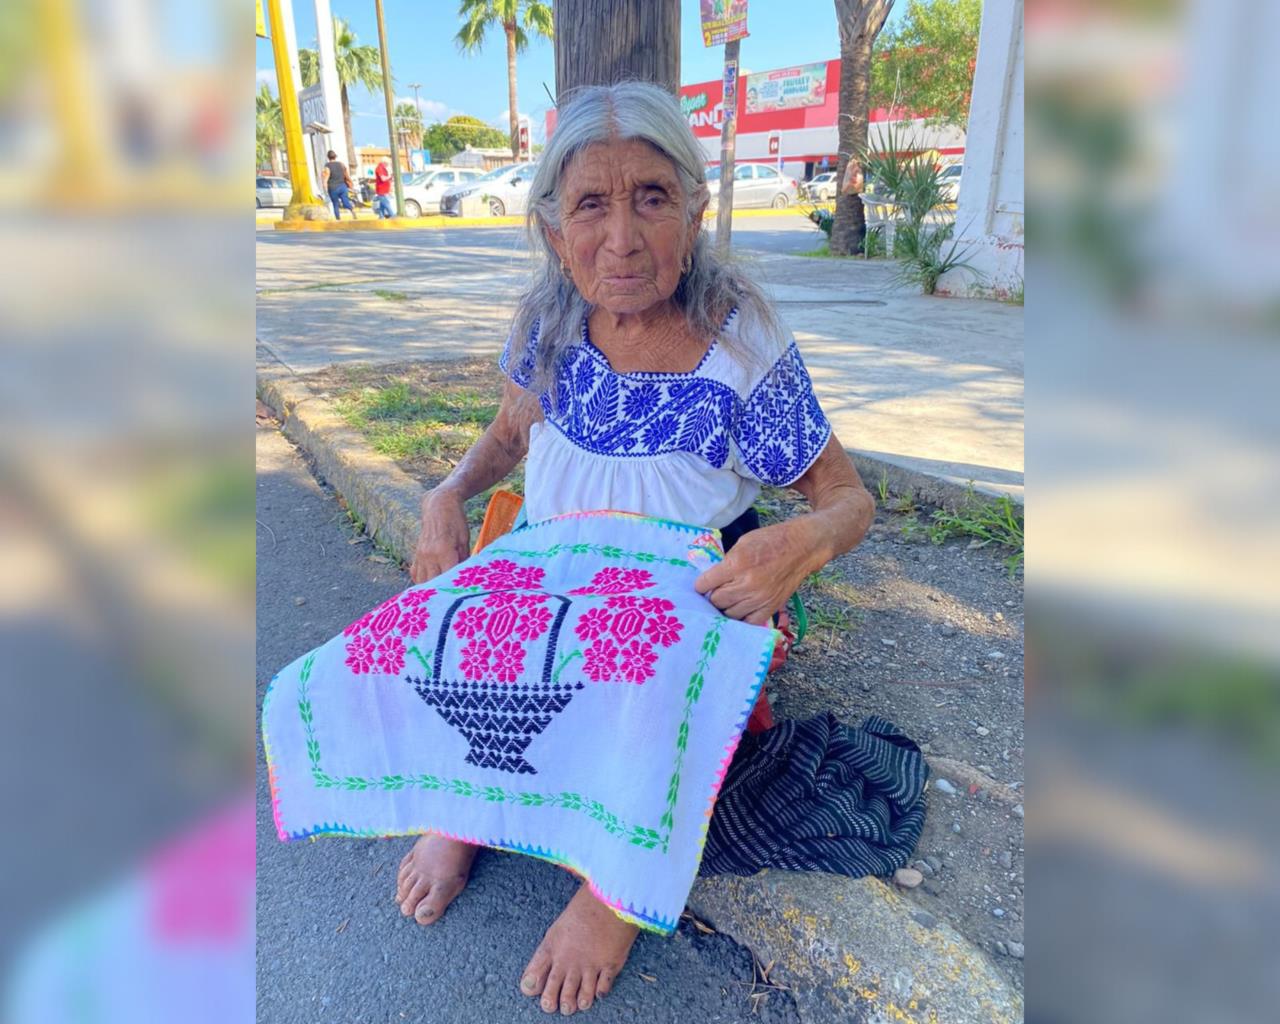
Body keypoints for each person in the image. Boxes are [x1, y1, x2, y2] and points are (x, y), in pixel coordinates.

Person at [399, 82, 875, 1016]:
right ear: (550, 229)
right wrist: (446, 494)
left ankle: (617, 886)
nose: (622, 236)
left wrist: (806, 540)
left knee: (647, 685)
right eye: (591, 203)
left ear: (696, 210)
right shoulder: (547, 325)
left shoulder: (742, 342)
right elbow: (506, 437)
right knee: (459, 628)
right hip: (553, 562)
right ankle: (471, 808)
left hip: (682, 590)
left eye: (653, 197)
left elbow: (845, 496)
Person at [322, 149, 356, 219]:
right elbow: (346, 175)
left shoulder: (327, 166)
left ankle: (338, 219)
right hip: (343, 187)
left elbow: (326, 177)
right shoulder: (341, 164)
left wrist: (325, 187)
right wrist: (350, 184)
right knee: (345, 202)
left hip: (333, 188)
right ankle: (352, 210)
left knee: (335, 204)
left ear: (328, 157)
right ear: (335, 157)